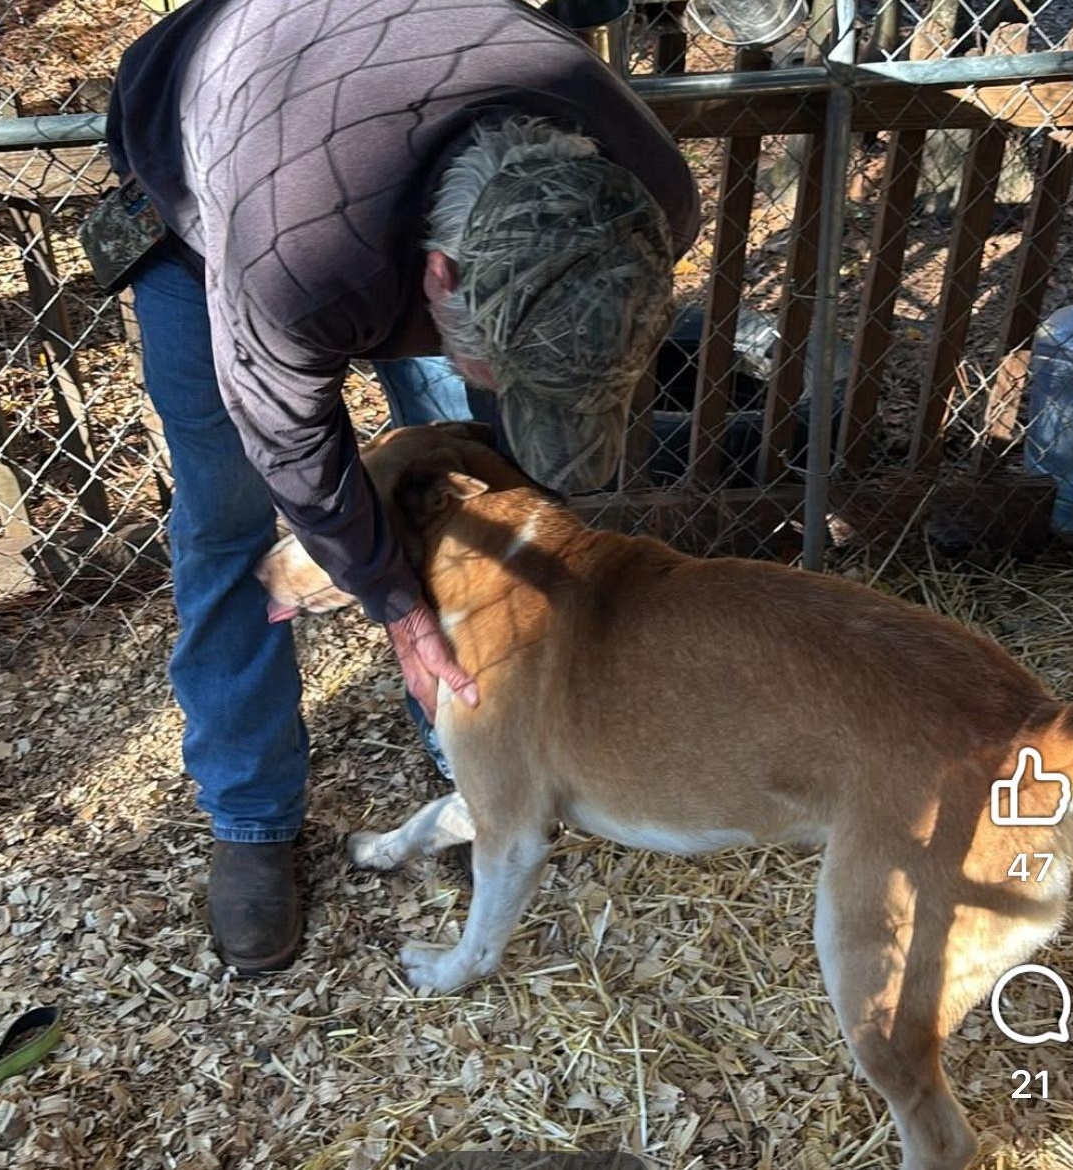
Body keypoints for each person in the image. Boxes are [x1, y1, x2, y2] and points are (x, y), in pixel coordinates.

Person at [105, 0, 700, 976]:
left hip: (396, 165)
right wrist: (393, 602)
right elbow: (291, 439)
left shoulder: (649, 197)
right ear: (437, 282)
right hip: (214, 187)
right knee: (229, 520)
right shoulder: (296, 257)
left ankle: (480, 757)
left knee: (470, 492)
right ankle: (251, 815)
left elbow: (539, 426)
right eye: (493, 362)